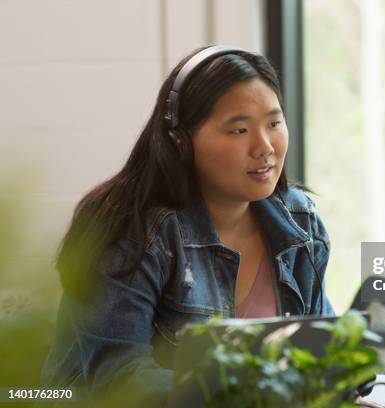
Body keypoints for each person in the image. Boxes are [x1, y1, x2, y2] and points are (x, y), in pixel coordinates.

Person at [40, 45, 334, 405]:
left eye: (274, 123)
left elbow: (321, 350)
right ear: (181, 142)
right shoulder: (134, 232)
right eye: (239, 130)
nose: (264, 147)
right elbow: (119, 380)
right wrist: (248, 387)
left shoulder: (300, 222)